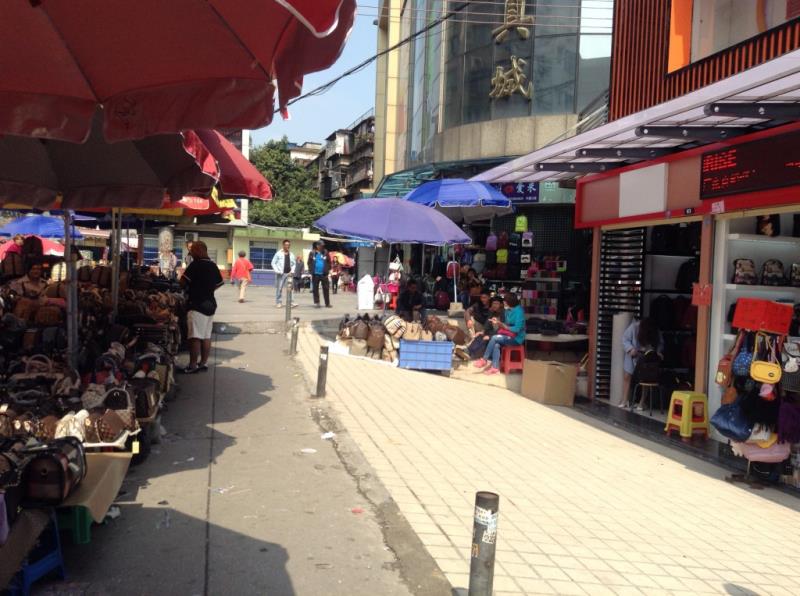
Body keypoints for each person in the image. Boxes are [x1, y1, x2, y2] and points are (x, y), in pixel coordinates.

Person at [180, 241, 224, 374]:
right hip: (210, 304)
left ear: (200, 250)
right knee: (206, 336)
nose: (191, 253)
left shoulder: (195, 265)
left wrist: (195, 289)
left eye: (192, 250)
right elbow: (220, 283)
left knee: (194, 337)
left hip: (197, 305)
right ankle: (203, 363)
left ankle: (193, 365)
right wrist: (207, 290)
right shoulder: (213, 265)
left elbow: (182, 282)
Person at [474, 293, 525, 375]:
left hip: (517, 338)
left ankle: (484, 359)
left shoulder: (519, 312)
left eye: (505, 301)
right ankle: (495, 368)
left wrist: (504, 326)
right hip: (508, 335)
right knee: (496, 344)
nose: (503, 302)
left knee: (494, 338)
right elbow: (506, 324)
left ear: (509, 302)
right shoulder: (508, 310)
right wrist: (498, 322)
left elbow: (517, 329)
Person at [621, 318, 663, 408]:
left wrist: (658, 352)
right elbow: (625, 339)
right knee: (627, 376)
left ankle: (641, 402)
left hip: (648, 356)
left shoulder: (655, 330)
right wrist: (630, 349)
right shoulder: (634, 327)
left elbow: (660, 343)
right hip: (633, 354)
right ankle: (624, 400)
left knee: (646, 377)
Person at [271, 239, 297, 308]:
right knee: (279, 288)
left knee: (290, 288)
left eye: (288, 245)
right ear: (283, 245)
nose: (287, 246)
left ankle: (291, 302)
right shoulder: (278, 253)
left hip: (289, 274)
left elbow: (294, 264)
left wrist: (292, 271)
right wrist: (277, 270)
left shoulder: (291, 254)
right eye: (286, 245)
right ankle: (279, 302)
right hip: (281, 274)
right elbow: (273, 263)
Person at [308, 241, 331, 308]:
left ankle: (327, 303)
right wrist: (311, 270)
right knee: (315, 289)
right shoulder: (312, 253)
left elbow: (329, 262)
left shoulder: (326, 252)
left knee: (326, 289)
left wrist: (327, 270)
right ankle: (317, 302)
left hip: (324, 274)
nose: (322, 247)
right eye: (321, 245)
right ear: (317, 246)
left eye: (323, 245)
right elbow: (309, 262)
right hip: (315, 274)